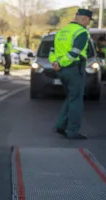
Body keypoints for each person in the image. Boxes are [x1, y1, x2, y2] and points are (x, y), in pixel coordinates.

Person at [48, 8, 94, 139]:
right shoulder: (82, 32)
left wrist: (55, 63)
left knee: (71, 98)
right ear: (85, 19)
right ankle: (73, 131)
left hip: (61, 71)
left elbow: (52, 51)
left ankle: (60, 125)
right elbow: (74, 53)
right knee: (76, 100)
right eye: (89, 21)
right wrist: (62, 63)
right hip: (73, 69)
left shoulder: (62, 31)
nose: (88, 24)